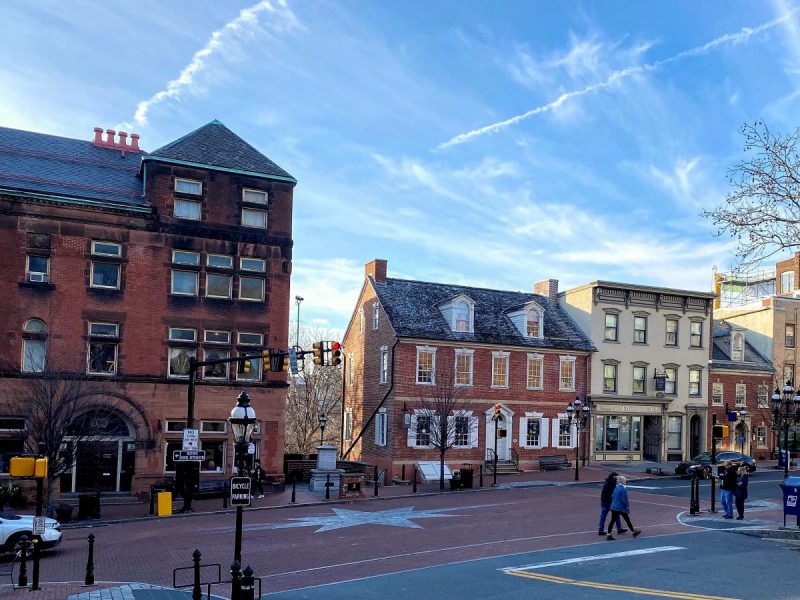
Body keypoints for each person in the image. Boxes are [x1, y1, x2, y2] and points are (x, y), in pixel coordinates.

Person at [606, 475, 641, 540]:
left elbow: (612, 496)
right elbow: (624, 500)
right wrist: (626, 505)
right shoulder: (623, 489)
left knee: (612, 521)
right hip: (621, 507)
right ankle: (633, 532)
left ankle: (608, 534)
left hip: (614, 506)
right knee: (627, 520)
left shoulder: (616, 488)